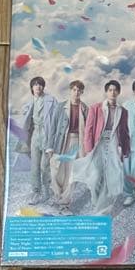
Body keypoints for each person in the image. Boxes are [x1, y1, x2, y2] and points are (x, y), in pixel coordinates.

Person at [72, 80, 130, 214]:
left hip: (114, 143)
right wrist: (88, 149)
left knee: (111, 176)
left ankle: (102, 209)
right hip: (99, 144)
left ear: (119, 92)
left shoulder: (123, 111)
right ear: (106, 92)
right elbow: (88, 129)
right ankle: (97, 201)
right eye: (110, 90)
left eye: (115, 90)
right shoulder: (96, 108)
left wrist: (125, 150)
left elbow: (124, 132)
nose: (113, 92)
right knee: (96, 176)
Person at [48, 80, 88, 211]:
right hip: (62, 141)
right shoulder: (61, 107)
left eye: (79, 90)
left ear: (82, 92)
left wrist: (88, 149)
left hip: (77, 142)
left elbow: (88, 131)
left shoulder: (85, 108)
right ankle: (57, 196)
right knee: (55, 172)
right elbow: (52, 127)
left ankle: (65, 203)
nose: (76, 93)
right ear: (70, 91)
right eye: (74, 90)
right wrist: (50, 146)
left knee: (72, 173)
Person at [21, 76, 59, 204]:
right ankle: (36, 192)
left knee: (45, 166)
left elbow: (58, 120)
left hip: (47, 134)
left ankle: (47, 192)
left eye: (40, 84)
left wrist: (53, 142)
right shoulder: (30, 102)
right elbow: (27, 121)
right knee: (34, 165)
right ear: (32, 87)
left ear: (43, 86)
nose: (38, 87)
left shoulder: (51, 100)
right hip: (35, 135)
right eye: (35, 84)